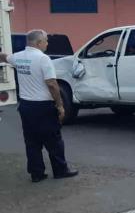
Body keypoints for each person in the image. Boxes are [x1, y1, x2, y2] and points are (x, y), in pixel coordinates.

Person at [0, 30, 78, 183]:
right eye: (46, 41)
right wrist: (60, 106)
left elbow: (5, 58)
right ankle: (60, 170)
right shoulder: (43, 59)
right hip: (43, 107)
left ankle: (36, 173)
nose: (47, 43)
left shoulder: (19, 57)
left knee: (32, 142)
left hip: (26, 107)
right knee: (53, 140)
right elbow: (52, 84)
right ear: (38, 42)